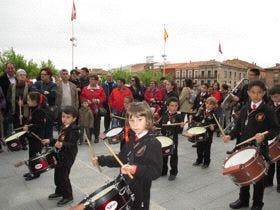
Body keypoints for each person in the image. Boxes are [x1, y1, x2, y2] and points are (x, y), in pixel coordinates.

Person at [92, 102, 162, 210]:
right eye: (132, 120)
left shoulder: (153, 143)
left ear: (148, 120)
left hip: (140, 192)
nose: (135, 124)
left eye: (139, 120)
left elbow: (155, 171)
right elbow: (121, 158)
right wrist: (101, 160)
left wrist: (134, 169)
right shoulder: (132, 138)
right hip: (125, 186)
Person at [223, 80, 280, 210]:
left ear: (264, 93)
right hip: (243, 147)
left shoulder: (267, 110)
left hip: (259, 148)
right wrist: (230, 136)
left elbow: (276, 129)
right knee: (243, 173)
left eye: (259, 93)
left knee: (258, 178)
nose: (256, 95)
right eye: (253, 92)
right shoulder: (245, 108)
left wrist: (264, 136)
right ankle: (243, 200)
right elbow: (238, 127)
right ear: (248, 93)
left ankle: (257, 203)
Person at [42, 106, 79, 207]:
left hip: (68, 156)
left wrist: (63, 145)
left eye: (68, 117)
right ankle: (59, 191)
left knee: (63, 176)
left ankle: (68, 196)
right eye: (63, 116)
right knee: (57, 174)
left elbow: (72, 144)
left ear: (74, 119)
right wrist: (50, 140)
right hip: (60, 154)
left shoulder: (74, 130)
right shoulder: (64, 127)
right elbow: (60, 139)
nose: (65, 119)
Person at [183, 97, 217, 168]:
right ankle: (199, 160)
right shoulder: (202, 111)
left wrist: (213, 127)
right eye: (207, 103)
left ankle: (206, 162)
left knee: (207, 150)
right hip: (199, 133)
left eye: (210, 104)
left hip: (208, 134)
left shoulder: (214, 114)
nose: (208, 105)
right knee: (199, 148)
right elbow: (196, 118)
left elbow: (217, 124)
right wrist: (196, 114)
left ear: (214, 106)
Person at [158, 97, 184, 180]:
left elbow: (179, 131)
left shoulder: (179, 116)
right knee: (163, 155)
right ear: (168, 106)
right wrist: (156, 128)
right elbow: (161, 125)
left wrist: (181, 127)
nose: (174, 108)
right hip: (164, 138)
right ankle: (164, 170)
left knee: (173, 156)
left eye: (176, 106)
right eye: (172, 106)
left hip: (173, 139)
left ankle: (173, 172)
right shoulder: (165, 114)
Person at [7, 69, 31, 150]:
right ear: (16, 76)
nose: (22, 76)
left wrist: (24, 102)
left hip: (25, 110)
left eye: (24, 75)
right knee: (17, 127)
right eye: (20, 75)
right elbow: (8, 98)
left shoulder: (29, 86)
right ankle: (18, 143)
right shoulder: (12, 86)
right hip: (15, 110)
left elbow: (32, 97)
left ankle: (24, 143)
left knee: (24, 127)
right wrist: (15, 102)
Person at [31, 67, 57, 139]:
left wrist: (39, 93)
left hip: (48, 112)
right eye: (41, 74)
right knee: (39, 131)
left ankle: (48, 146)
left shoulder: (53, 85)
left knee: (48, 132)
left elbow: (53, 95)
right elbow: (32, 90)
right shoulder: (37, 83)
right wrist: (43, 92)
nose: (42, 75)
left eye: (44, 74)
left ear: (49, 75)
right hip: (38, 111)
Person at [80, 74, 106, 143]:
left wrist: (98, 100)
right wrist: (86, 101)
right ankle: (89, 137)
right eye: (90, 79)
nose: (91, 81)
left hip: (96, 109)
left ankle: (96, 137)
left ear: (96, 81)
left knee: (97, 123)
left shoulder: (100, 88)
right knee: (88, 124)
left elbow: (104, 97)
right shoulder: (85, 88)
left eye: (93, 79)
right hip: (88, 110)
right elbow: (82, 97)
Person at [265, 85, 280, 192]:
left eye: (276, 96)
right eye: (273, 97)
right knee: (270, 160)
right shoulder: (269, 106)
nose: (274, 98)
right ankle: (269, 181)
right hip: (271, 136)